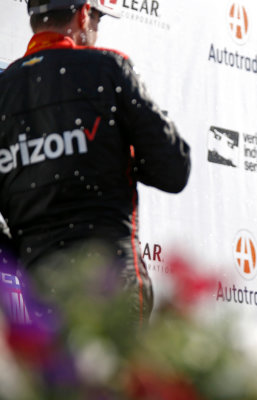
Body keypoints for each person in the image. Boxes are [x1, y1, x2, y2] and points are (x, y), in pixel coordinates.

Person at [0, 0, 191, 325]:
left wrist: (26, 252)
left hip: (42, 295)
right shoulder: (108, 69)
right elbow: (174, 168)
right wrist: (119, 152)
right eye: (98, 21)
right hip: (114, 286)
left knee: (61, 378)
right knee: (117, 377)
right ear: (83, 15)